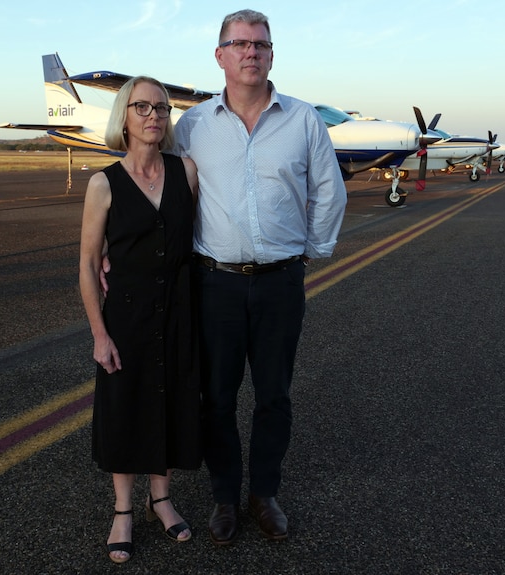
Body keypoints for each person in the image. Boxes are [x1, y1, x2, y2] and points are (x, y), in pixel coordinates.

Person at [173, 9, 347, 546]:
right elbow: (168, 198)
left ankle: (264, 494)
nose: (251, 52)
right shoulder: (193, 125)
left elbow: (328, 189)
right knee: (216, 398)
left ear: (272, 54)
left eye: (261, 44)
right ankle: (225, 497)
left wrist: (309, 252)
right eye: (240, 43)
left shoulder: (302, 120)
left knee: (274, 395)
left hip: (279, 283)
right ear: (220, 55)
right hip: (216, 284)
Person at [79, 75, 201, 564]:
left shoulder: (186, 171)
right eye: (142, 107)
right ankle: (123, 510)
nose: (154, 115)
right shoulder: (102, 183)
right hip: (126, 316)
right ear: (124, 117)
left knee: (171, 401)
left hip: (178, 310)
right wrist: (99, 333)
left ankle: (163, 500)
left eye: (162, 108)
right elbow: (89, 264)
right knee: (124, 406)